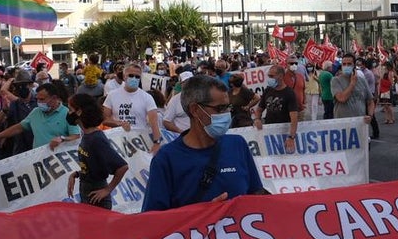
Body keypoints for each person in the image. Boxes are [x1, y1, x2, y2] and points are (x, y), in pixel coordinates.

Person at [142, 75, 265, 211]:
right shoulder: (166, 159)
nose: (227, 114)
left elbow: (256, 195)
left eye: (228, 107)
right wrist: (204, 214)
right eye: (220, 108)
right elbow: (152, 221)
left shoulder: (237, 145)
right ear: (195, 110)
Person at [0, 82, 82, 152]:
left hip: (59, 163)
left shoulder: (67, 113)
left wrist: (63, 139)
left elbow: (76, 137)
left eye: (42, 99)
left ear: (54, 98)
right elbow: (19, 127)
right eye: (37, 99)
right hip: (38, 162)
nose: (38, 102)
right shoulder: (35, 112)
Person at [68, 107, 128, 209]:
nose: (68, 113)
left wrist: (107, 190)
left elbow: (122, 167)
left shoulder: (96, 139)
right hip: (87, 193)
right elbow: (94, 166)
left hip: (97, 197)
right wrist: (77, 174)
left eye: (70, 109)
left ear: (79, 112)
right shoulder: (87, 136)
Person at [102, 63, 163, 150]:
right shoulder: (112, 95)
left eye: (137, 76)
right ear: (124, 76)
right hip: (118, 142)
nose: (134, 78)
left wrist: (157, 143)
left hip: (140, 143)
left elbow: (154, 123)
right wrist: (119, 123)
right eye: (131, 75)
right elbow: (105, 119)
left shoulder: (147, 97)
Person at [254, 65, 300, 153]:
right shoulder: (268, 90)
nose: (269, 78)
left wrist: (291, 137)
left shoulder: (289, 93)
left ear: (281, 76)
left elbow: (294, 118)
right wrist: (257, 119)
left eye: (272, 76)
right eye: (269, 76)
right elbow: (259, 109)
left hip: (283, 132)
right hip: (269, 131)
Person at [330, 53, 374, 126]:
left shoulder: (362, 80)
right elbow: (342, 98)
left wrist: (370, 115)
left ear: (354, 65)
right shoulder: (335, 80)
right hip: (342, 125)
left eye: (349, 64)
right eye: (344, 64)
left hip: (360, 124)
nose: (346, 66)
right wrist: (352, 83)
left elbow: (370, 101)